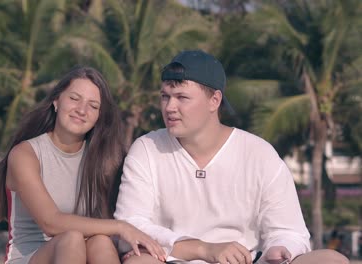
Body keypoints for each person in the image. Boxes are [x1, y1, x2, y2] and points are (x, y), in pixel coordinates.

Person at [114, 50, 349, 264]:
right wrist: (203, 249)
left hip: (248, 260)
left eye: (181, 97)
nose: (169, 107)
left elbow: (290, 231)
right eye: (165, 97)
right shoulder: (147, 148)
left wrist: (281, 248)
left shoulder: (259, 153)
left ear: (214, 101)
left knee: (331, 259)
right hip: (176, 260)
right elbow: (129, 226)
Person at [0, 66, 165, 264]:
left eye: (93, 105)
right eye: (74, 98)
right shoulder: (25, 154)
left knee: (101, 241)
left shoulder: (105, 159)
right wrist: (121, 227)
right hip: (31, 257)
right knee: (72, 238)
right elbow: (51, 222)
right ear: (56, 101)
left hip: (83, 252)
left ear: (99, 116)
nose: (81, 110)